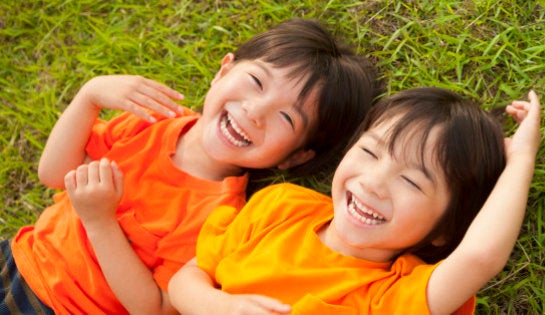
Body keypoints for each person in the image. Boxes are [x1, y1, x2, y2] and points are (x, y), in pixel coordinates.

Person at [0, 18, 380, 315]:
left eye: (286, 118)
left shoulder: (219, 216)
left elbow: (155, 308)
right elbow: (53, 174)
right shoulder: (149, 120)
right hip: (16, 256)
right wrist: (89, 96)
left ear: (295, 157)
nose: (254, 111)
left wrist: (100, 222)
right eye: (255, 81)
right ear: (223, 70)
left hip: (58, 306)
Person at [167, 87, 542, 314]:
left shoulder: (390, 296)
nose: (374, 183)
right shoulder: (279, 206)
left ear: (443, 230)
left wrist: (521, 159)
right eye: (371, 153)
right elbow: (188, 277)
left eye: (411, 182)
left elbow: (480, 257)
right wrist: (218, 307)